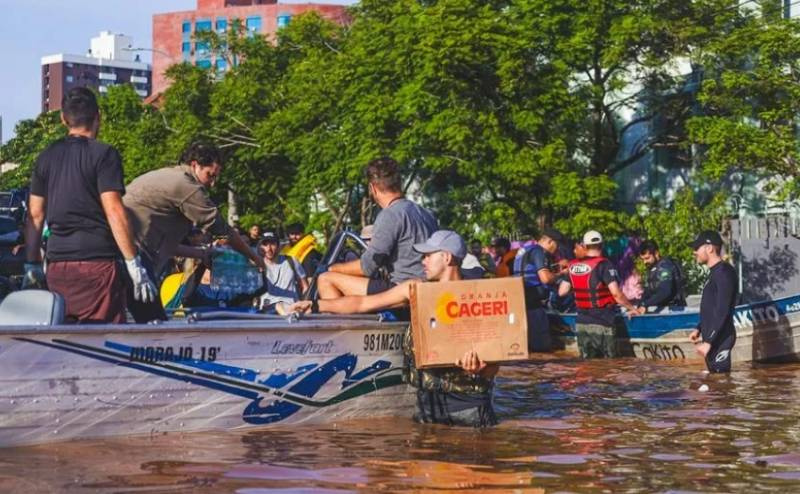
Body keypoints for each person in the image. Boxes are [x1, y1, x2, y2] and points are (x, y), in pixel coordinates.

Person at [288, 230, 498, 427]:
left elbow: (495, 362)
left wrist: (481, 368)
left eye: (428, 255)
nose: (422, 260)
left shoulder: (477, 299)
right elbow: (362, 303)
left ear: (447, 257)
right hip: (427, 404)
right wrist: (316, 305)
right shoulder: (415, 289)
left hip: (469, 406)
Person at [23, 87, 156, 323]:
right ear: (98, 116)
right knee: (103, 342)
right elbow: (114, 210)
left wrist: (31, 264)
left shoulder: (46, 157)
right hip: (97, 265)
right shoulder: (104, 155)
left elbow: (35, 215)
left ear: (64, 119)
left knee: (65, 342)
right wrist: (134, 264)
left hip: (58, 267)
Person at [122, 142, 264, 323]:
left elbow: (166, 245)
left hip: (121, 254)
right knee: (155, 327)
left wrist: (200, 254)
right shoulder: (187, 186)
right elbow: (223, 231)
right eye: (210, 175)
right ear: (195, 165)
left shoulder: (167, 176)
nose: (212, 184)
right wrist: (254, 257)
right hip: (134, 259)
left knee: (132, 321)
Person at [317, 157, 438, 298]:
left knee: (326, 279)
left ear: (372, 188)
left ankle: (342, 320)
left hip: (403, 288)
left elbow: (367, 267)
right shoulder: (425, 213)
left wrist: (331, 267)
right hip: (427, 288)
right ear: (399, 183)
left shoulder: (390, 215)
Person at [565, 230, 643, 358]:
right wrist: (633, 308)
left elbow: (562, 291)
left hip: (582, 323)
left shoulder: (572, 266)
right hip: (603, 322)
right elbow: (616, 294)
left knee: (588, 366)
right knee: (609, 366)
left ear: (584, 246)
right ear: (602, 245)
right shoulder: (604, 264)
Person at [688, 230, 738, 373]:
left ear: (709, 248)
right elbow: (711, 307)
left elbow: (723, 309)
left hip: (721, 338)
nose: (694, 252)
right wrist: (699, 328)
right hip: (712, 338)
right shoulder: (714, 273)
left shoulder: (724, 273)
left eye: (697, 248)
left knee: (722, 383)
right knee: (716, 384)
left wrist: (709, 341)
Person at [518, 228, 565, 352]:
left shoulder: (525, 250)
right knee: (542, 349)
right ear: (550, 242)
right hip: (533, 305)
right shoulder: (539, 252)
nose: (557, 249)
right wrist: (562, 274)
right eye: (557, 245)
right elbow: (545, 278)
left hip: (521, 303)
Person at [257, 232, 308, 310]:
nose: (269, 248)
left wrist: (305, 303)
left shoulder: (291, 261)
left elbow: (304, 285)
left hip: (292, 309)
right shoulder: (258, 265)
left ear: (278, 246)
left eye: (272, 244)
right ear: (260, 247)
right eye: (265, 244)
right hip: (267, 311)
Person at [637, 240, 687, 312]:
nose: (645, 262)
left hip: (674, 310)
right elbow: (648, 290)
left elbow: (665, 291)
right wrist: (640, 304)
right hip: (662, 310)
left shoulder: (665, 266)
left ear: (656, 254)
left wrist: (646, 304)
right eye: (643, 259)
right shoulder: (653, 268)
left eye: (647, 258)